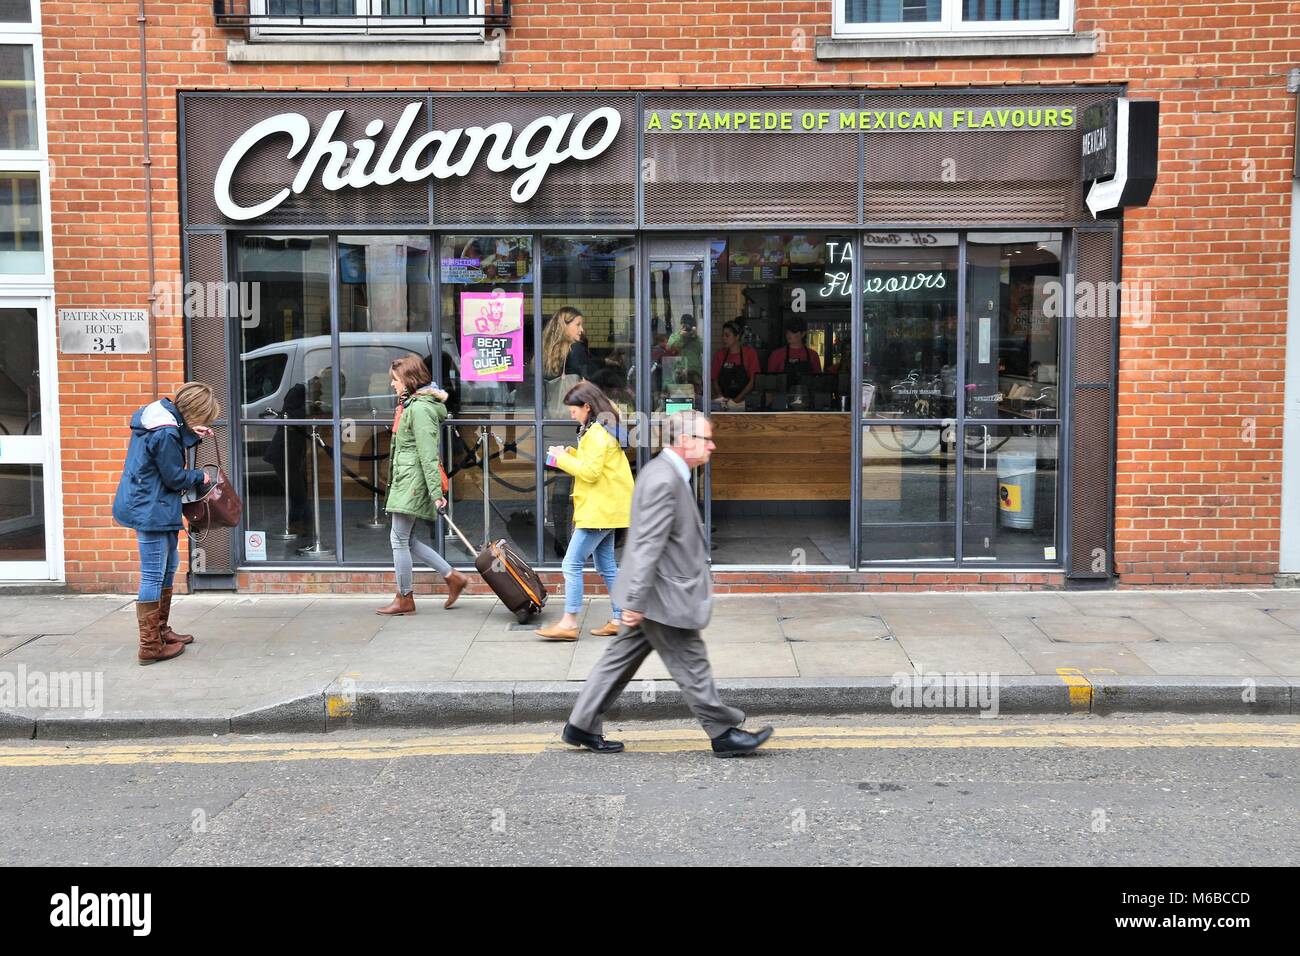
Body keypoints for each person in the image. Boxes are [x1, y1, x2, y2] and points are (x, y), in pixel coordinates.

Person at [561, 411, 774, 758]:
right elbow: (647, 544)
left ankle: (581, 725)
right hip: (661, 596)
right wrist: (633, 600)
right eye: (706, 438)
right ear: (686, 441)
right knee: (692, 663)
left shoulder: (669, 472)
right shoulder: (664, 479)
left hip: (651, 594)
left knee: (619, 660)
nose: (712, 445)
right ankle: (723, 733)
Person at [111, 382, 220, 665]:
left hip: (155, 504)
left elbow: (165, 457)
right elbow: (174, 476)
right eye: (203, 419)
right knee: (152, 574)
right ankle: (150, 647)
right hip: (151, 507)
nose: (204, 423)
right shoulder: (166, 432)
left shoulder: (164, 421)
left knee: (169, 566)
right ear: (194, 412)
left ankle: (160, 631)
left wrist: (191, 434)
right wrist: (200, 477)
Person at [536, 381, 634, 641]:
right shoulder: (601, 429)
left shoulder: (597, 433)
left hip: (600, 510)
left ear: (587, 407)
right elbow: (595, 464)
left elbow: (590, 473)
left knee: (571, 564)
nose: (571, 414)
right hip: (609, 507)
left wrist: (560, 459)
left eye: (573, 410)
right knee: (607, 565)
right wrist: (569, 453)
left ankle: (569, 623)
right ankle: (621, 617)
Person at [376, 355, 469, 616]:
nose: (392, 385)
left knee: (398, 538)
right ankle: (452, 577)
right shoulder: (413, 405)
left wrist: (436, 493)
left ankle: (405, 597)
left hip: (413, 480)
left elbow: (429, 455)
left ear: (407, 381)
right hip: (408, 478)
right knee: (407, 538)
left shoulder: (419, 409)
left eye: (395, 380)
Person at [542, 306, 591, 556]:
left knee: (559, 486)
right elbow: (587, 387)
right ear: (565, 325)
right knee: (582, 485)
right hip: (573, 424)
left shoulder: (545, 353)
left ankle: (559, 540)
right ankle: (578, 543)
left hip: (551, 425)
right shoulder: (576, 351)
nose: (581, 330)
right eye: (578, 325)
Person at [710, 320, 760, 407]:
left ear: (737, 336)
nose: (724, 338)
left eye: (727, 335)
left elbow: (753, 380)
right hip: (723, 403)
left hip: (743, 403)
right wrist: (721, 397)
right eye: (723, 335)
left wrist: (736, 401)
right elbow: (714, 379)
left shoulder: (750, 354)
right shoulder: (720, 354)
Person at [666, 313, 704, 385]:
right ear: (681, 325)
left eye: (689, 325)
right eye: (684, 325)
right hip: (679, 373)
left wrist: (695, 337)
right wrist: (680, 336)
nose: (687, 328)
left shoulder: (696, 338)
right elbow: (669, 348)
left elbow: (703, 349)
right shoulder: (675, 336)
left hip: (695, 373)